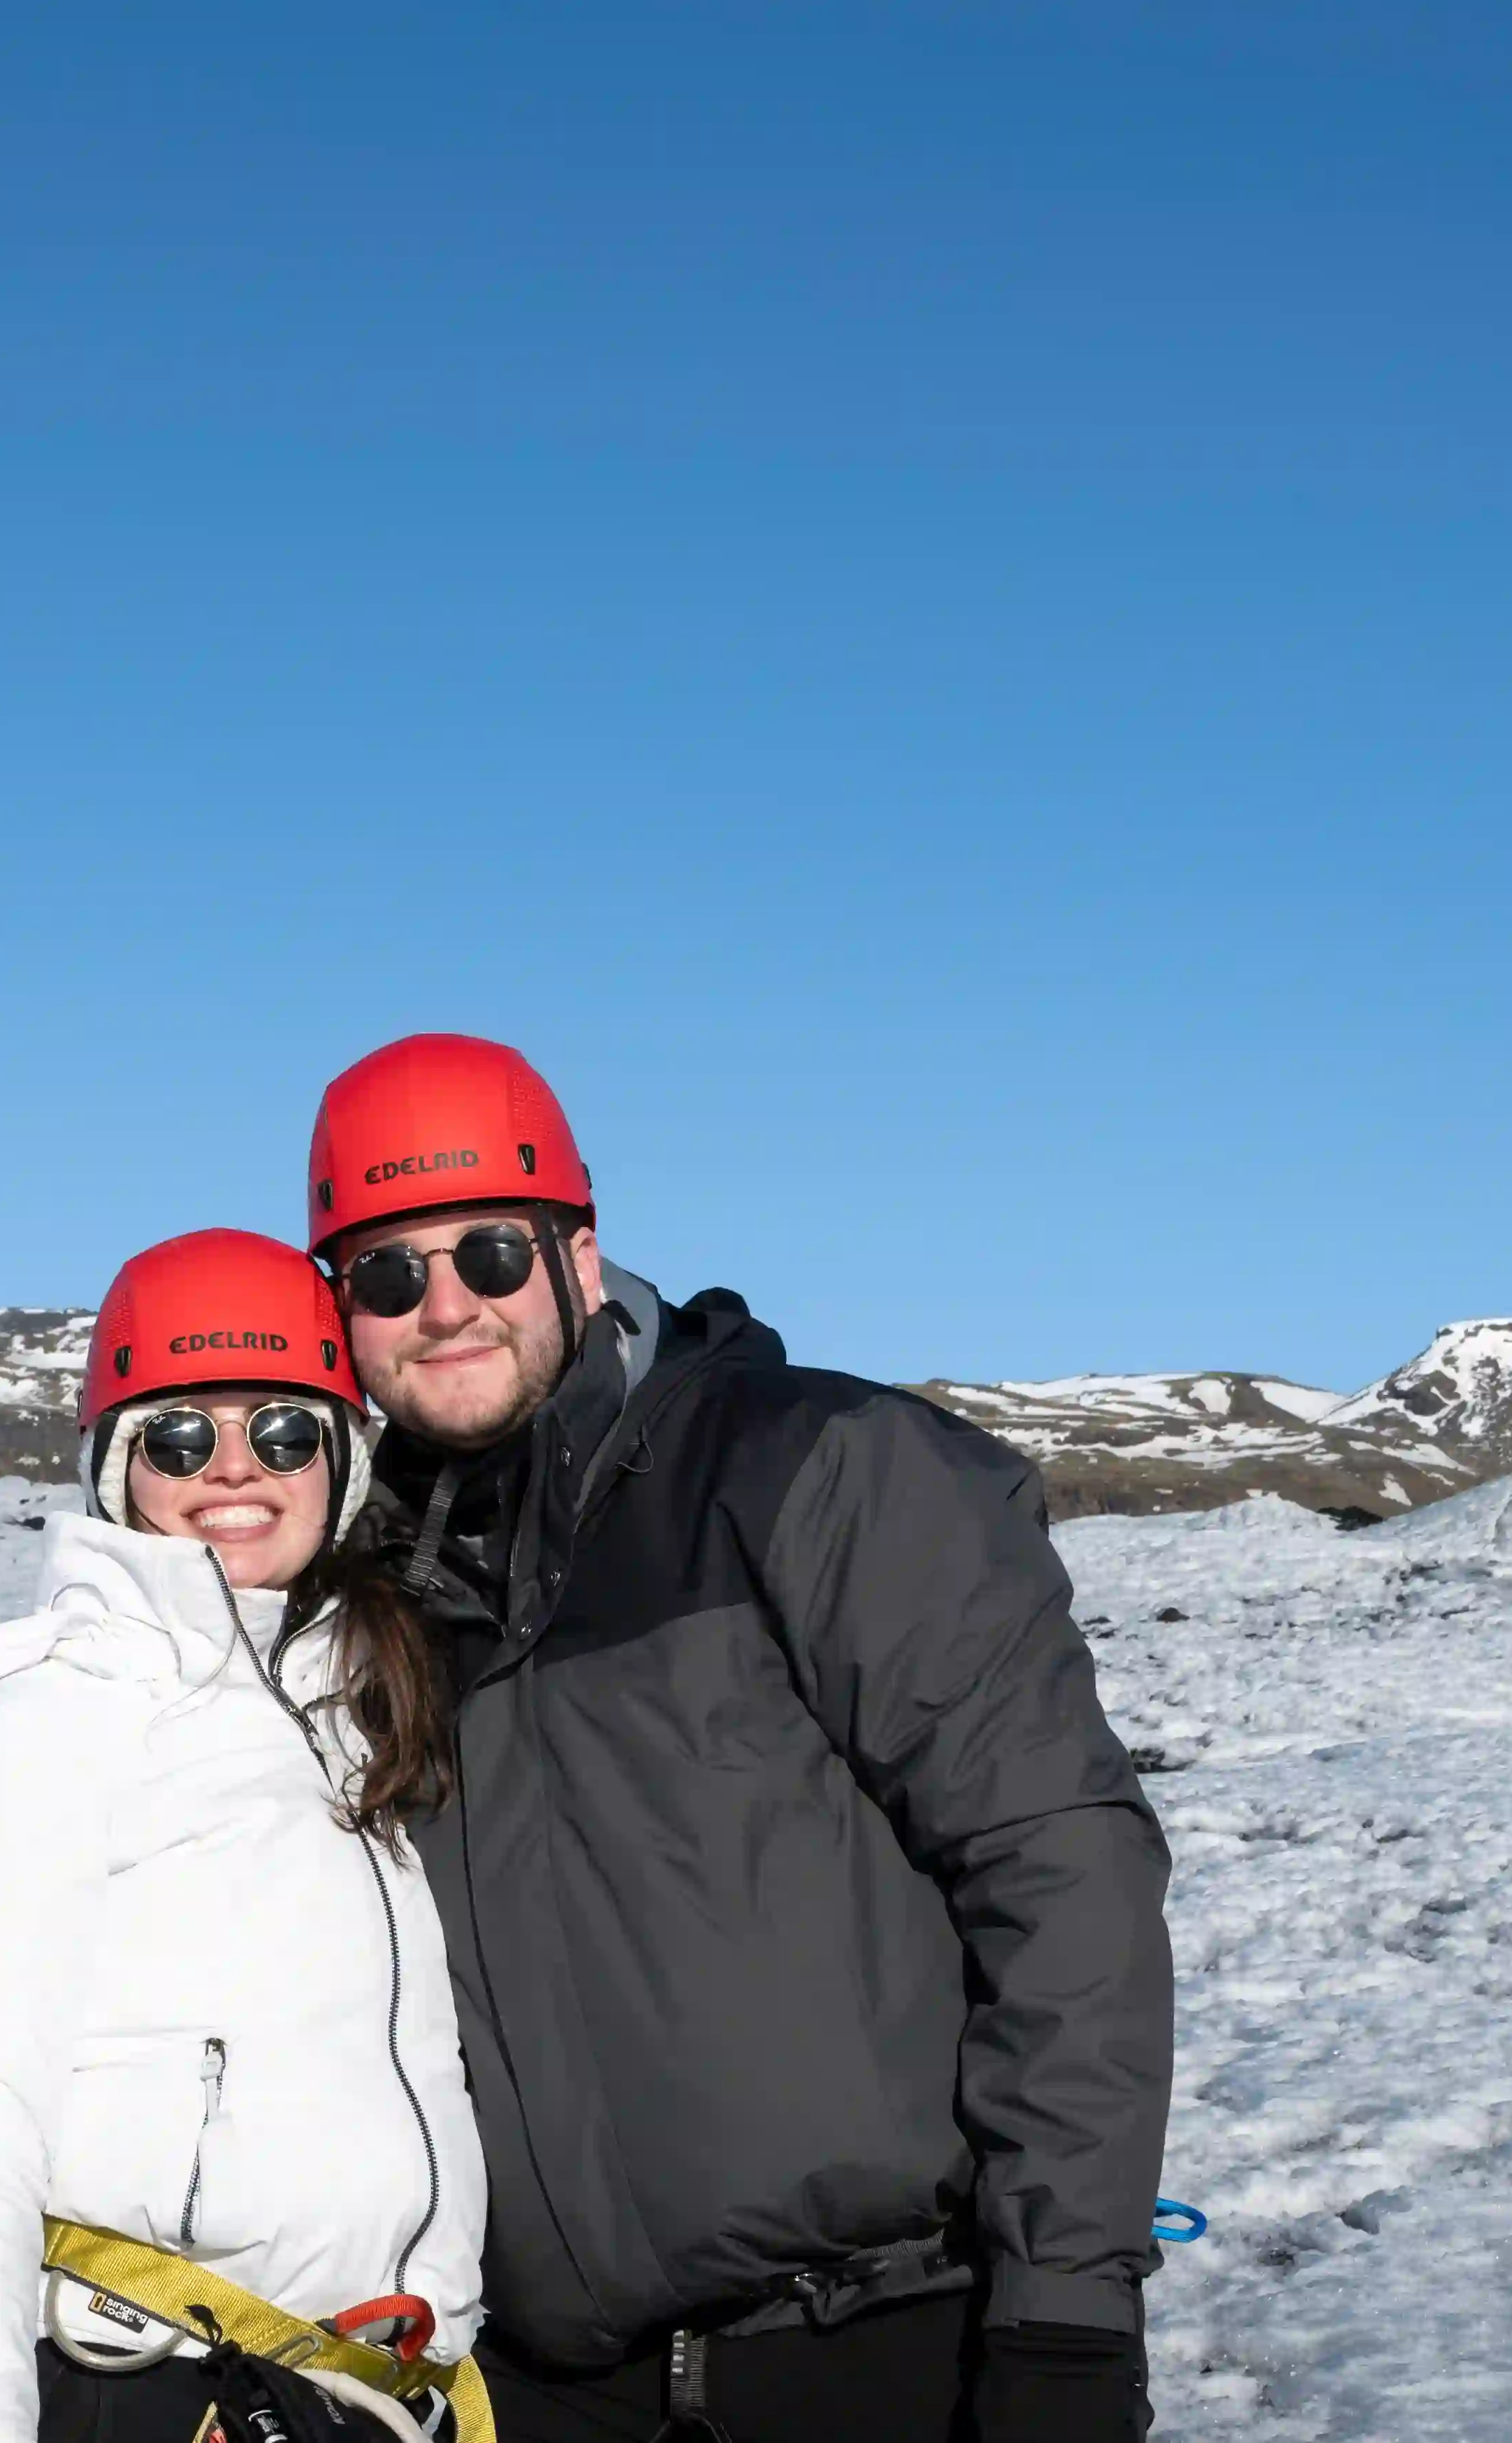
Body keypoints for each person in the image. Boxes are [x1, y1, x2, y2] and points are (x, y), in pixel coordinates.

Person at [303, 1036, 1175, 2443]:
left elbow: (1058, 1866)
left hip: (884, 2353)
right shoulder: (385, 1587)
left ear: (578, 1263)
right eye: (389, 1272)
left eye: (490, 1254)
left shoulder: (815, 1467)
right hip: (549, 2385)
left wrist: (1065, 2311)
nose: (444, 1303)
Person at [0, 1228, 490, 2443]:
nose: (233, 1469)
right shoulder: (44, 1718)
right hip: (173, 2393)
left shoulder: (350, 1707)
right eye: (176, 1434)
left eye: (282, 1431)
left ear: (340, 1462)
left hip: (370, 2389)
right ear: (116, 1467)